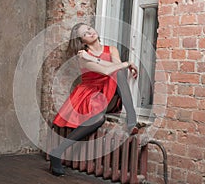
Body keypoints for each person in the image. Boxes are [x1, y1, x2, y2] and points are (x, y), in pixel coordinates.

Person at [49, 23, 139, 176]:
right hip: (90, 95)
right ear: (82, 41)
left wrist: (120, 65)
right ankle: (57, 152)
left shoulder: (111, 49)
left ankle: (132, 121)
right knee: (98, 119)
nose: (90, 32)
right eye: (85, 34)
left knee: (119, 74)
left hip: (108, 92)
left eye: (89, 29)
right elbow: (105, 70)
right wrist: (127, 63)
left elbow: (116, 69)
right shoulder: (82, 55)